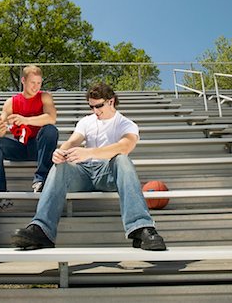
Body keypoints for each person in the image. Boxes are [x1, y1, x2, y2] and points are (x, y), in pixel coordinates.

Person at [11, 82, 166, 251]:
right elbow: (73, 141)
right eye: (91, 107)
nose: (95, 111)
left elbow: (125, 147)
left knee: (122, 159)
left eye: (99, 106)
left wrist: (90, 152)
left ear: (111, 101)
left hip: (109, 174)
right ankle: (42, 230)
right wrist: (60, 152)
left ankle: (141, 228)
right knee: (60, 165)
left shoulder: (126, 124)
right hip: (84, 173)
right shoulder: (86, 121)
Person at [0, 65, 58, 212]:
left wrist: (26, 120)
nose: (36, 86)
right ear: (23, 80)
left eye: (39, 83)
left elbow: (51, 118)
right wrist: (0, 128)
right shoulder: (11, 102)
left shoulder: (44, 97)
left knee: (50, 130)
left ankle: (41, 180)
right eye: (32, 82)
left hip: (39, 147)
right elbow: (0, 126)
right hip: (20, 147)